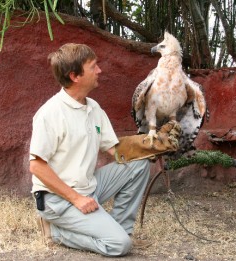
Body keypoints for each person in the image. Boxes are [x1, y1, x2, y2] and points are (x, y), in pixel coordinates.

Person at [29, 43, 153, 257]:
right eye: (93, 66)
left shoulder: (94, 108)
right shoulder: (50, 113)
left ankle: (119, 229)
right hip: (57, 200)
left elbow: (116, 150)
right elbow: (36, 166)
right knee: (119, 246)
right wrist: (76, 199)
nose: (100, 71)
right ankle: (56, 231)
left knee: (139, 165)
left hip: (89, 187)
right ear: (75, 76)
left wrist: (152, 144)